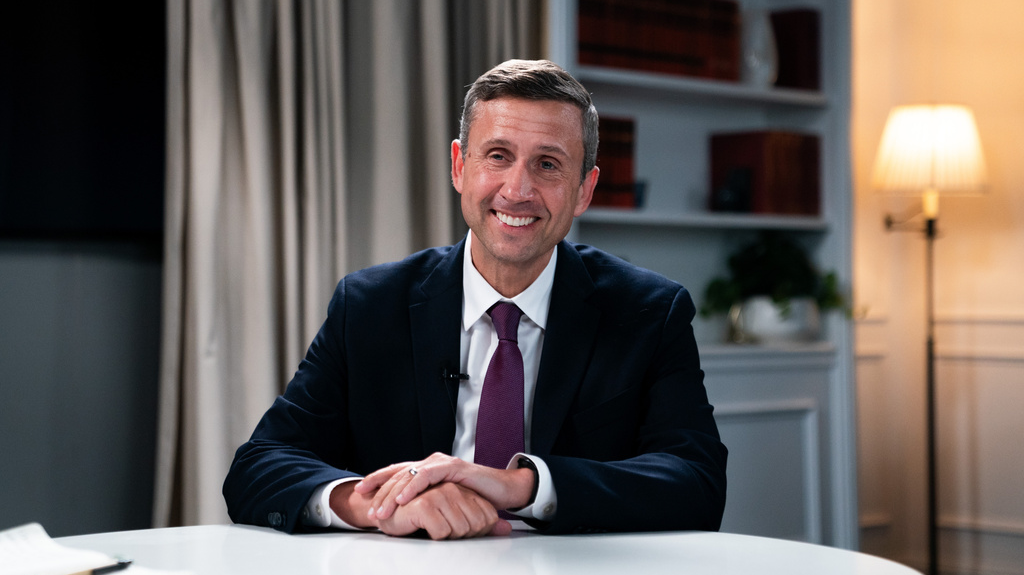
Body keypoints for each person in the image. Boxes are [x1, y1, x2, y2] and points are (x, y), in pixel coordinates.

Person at [223, 59, 727, 539]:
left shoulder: (650, 313)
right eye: (498, 156)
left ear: (583, 190)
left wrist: (523, 486)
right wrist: (377, 504)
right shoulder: (370, 306)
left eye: (548, 164)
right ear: (460, 166)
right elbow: (259, 465)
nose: (517, 189)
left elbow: (696, 482)